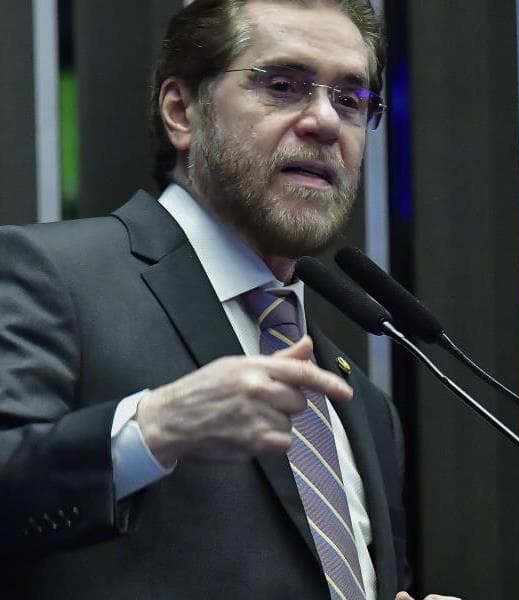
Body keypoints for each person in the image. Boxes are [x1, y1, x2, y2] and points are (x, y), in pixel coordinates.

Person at [0, 1, 460, 598]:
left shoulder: (367, 409)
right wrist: (152, 428)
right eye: (283, 86)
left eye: (350, 99)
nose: (325, 121)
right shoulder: (52, 275)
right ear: (181, 111)